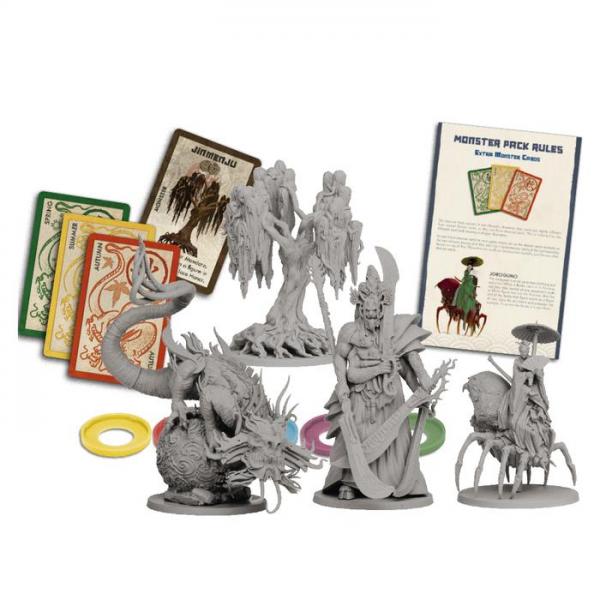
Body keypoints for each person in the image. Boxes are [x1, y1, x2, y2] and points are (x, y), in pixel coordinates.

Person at [321, 266, 435, 501]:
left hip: (390, 397)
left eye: (376, 313)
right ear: (360, 309)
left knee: (396, 439)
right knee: (358, 436)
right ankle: (351, 483)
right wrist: (341, 383)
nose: (372, 317)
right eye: (368, 312)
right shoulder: (350, 331)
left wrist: (421, 387)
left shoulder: (392, 330)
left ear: (382, 309)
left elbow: (408, 362)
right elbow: (340, 358)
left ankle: (400, 482)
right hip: (361, 395)